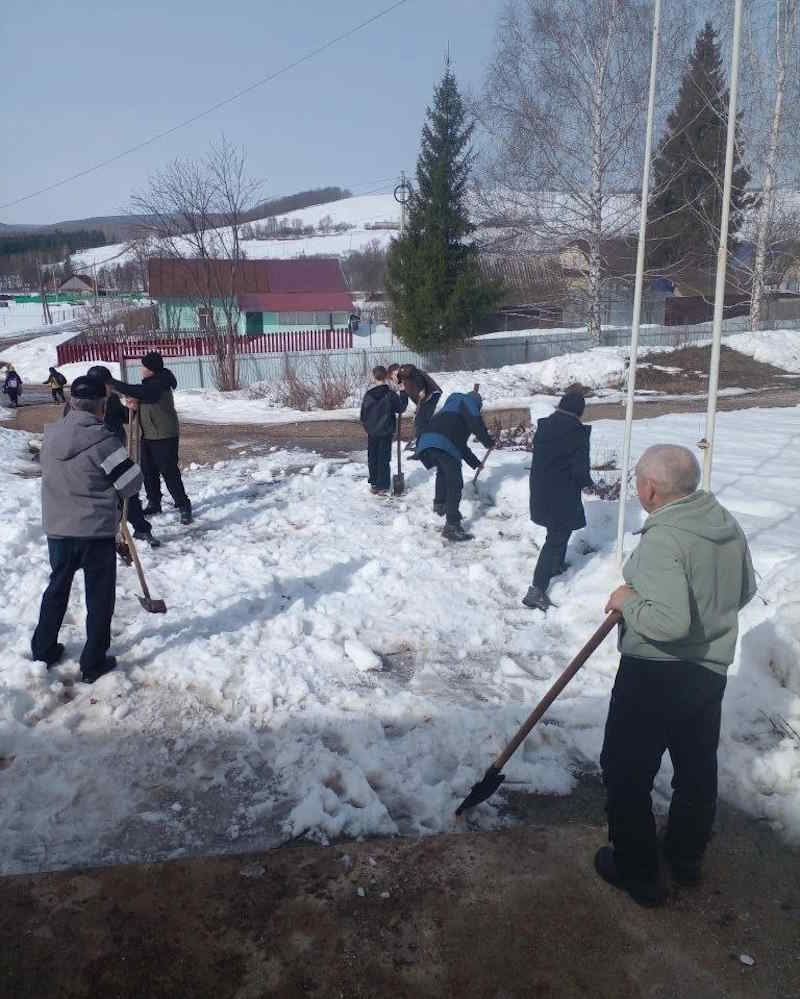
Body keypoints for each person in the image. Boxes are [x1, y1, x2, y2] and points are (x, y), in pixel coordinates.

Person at [596, 444, 756, 907]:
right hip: (708, 672)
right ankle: (686, 858)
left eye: (637, 483)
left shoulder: (665, 538)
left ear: (649, 490)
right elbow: (742, 590)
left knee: (626, 771)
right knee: (696, 766)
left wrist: (628, 602)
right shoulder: (723, 522)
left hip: (654, 675)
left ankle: (637, 870)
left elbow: (669, 623)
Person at [31, 375, 143, 683]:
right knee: (99, 598)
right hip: (94, 533)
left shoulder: (50, 437)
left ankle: (43, 648)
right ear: (102, 407)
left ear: (69, 403)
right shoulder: (105, 442)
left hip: (58, 530)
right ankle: (92, 662)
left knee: (57, 589)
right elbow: (131, 484)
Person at [523, 390, 593, 612]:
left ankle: (555, 565)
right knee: (556, 536)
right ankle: (536, 590)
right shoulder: (576, 432)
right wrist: (587, 482)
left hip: (541, 489)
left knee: (558, 531)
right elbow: (580, 466)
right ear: (579, 411)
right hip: (561, 492)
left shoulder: (546, 426)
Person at [107, 352, 192, 525]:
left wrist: (113, 383)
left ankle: (184, 505)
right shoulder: (151, 384)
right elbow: (143, 398)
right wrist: (135, 405)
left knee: (169, 471)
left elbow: (139, 391)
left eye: (144, 366)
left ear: (151, 369)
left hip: (164, 434)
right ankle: (154, 502)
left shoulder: (159, 384)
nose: (141, 369)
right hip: (149, 434)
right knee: (148, 471)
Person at [86, 365, 161, 548]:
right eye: (107, 384)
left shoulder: (110, 399)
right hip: (94, 457)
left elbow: (125, 418)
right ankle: (105, 538)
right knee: (103, 497)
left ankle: (141, 529)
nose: (110, 387)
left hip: (115, 453)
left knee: (128, 490)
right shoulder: (83, 404)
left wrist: (132, 409)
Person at [414, 388, 493, 541]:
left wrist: (475, 463)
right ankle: (452, 525)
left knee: (443, 473)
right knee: (455, 483)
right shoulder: (467, 402)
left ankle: (440, 504)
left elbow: (461, 446)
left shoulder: (449, 411)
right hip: (443, 443)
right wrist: (488, 442)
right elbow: (477, 424)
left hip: (426, 441)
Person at [360, 365, 409, 495]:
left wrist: (369, 428)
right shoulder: (390, 395)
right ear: (386, 376)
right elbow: (401, 408)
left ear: (373, 377)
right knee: (383, 457)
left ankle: (375, 483)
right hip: (386, 431)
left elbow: (363, 415)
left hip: (372, 433)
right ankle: (383, 485)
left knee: (373, 456)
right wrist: (403, 392)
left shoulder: (368, 395)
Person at [397, 364, 442, 444]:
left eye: (394, 374)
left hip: (431, 394)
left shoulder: (405, 371)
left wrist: (422, 388)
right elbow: (404, 400)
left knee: (421, 421)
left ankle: (423, 442)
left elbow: (415, 373)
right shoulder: (401, 381)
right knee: (420, 420)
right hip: (424, 400)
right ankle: (422, 442)